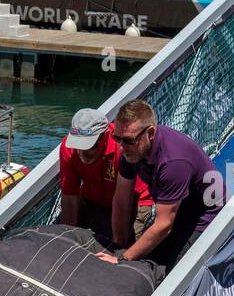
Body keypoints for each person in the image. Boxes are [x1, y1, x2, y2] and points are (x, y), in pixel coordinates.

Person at [101, 99, 223, 268]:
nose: (121, 147)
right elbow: (121, 200)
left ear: (150, 133)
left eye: (128, 140)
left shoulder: (173, 162)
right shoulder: (131, 151)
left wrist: (123, 258)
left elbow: (163, 225)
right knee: (145, 260)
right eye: (117, 138)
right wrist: (118, 247)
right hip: (172, 207)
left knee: (175, 276)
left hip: (204, 213)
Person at [59, 107, 154, 243]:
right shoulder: (68, 149)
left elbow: (127, 202)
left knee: (124, 250)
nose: (83, 153)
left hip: (132, 201)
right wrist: (66, 238)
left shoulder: (123, 148)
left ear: (105, 136)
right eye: (78, 146)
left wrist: (119, 247)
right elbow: (69, 197)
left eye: (89, 146)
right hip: (92, 199)